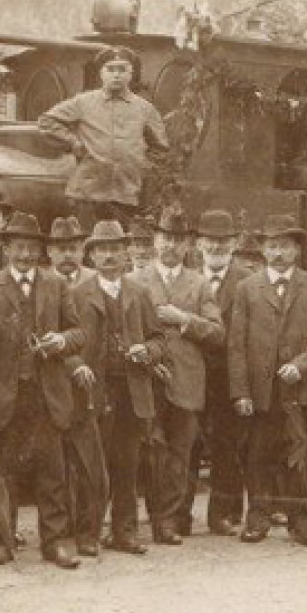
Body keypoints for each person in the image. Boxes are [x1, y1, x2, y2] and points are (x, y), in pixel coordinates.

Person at [0, 213, 84, 569]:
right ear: (7, 248)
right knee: (4, 472)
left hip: (47, 395)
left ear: (40, 251)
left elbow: (79, 334)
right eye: (18, 247)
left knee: (52, 473)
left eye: (32, 248)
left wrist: (60, 340)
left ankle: (55, 543)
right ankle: (2, 540)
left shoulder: (56, 286)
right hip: (2, 397)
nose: (25, 255)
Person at [229, 214, 307, 546]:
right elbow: (236, 344)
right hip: (262, 390)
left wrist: (301, 365)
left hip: (299, 388)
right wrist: (241, 392)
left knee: (299, 454)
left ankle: (300, 520)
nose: (278, 253)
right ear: (262, 249)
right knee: (258, 454)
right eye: (272, 246)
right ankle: (257, 519)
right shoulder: (247, 288)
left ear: (296, 250)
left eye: (285, 246)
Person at [67, 220, 163, 555]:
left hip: (132, 389)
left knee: (128, 461)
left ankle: (125, 531)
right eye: (102, 250)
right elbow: (68, 341)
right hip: (95, 389)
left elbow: (158, 337)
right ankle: (88, 532)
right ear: (91, 255)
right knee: (94, 464)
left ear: (126, 254)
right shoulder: (78, 294)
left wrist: (147, 351)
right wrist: (77, 365)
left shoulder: (139, 292)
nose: (109, 256)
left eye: (116, 249)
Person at [131, 212, 222, 544]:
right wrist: (147, 359)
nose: (170, 245)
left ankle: (169, 520)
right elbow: (124, 329)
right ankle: (154, 516)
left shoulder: (199, 283)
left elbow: (216, 333)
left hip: (186, 380)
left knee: (181, 451)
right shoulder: (136, 279)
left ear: (187, 246)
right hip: (146, 378)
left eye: (177, 240)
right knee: (151, 450)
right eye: (165, 238)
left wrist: (184, 318)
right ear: (155, 241)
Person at [37, 45, 170, 229]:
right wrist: (73, 143)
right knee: (85, 244)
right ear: (101, 73)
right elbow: (47, 122)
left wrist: (142, 167)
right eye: (110, 69)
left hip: (127, 195)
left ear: (131, 74)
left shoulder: (145, 109)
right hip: (87, 194)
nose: (116, 75)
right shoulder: (83, 102)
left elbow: (161, 148)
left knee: (121, 247)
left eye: (122, 69)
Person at [192, 210, 252, 536]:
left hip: (230, 373)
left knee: (228, 444)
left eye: (224, 241)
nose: (216, 246)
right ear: (199, 243)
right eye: (210, 240)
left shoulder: (247, 280)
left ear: (235, 243)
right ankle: (178, 515)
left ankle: (224, 514)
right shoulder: (187, 278)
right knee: (188, 442)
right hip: (192, 372)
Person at [45, 217, 95, 286]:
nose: (68, 255)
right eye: (61, 249)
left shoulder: (95, 280)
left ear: (83, 251)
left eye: (73, 249)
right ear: (49, 251)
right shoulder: (39, 282)